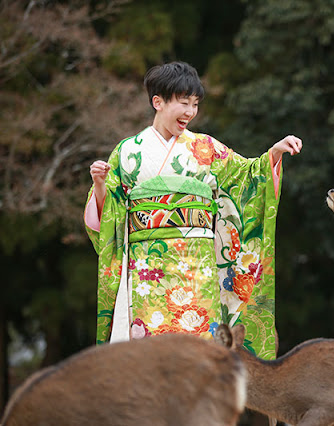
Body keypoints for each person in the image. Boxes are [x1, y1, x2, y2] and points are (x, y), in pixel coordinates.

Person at [84, 61, 301, 360]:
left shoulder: (206, 149)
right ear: (157, 102)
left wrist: (274, 154)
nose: (190, 112)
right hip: (147, 271)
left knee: (200, 353)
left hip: (199, 271)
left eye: (195, 104)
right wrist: (99, 185)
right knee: (150, 353)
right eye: (183, 102)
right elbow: (110, 213)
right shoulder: (127, 152)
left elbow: (248, 177)